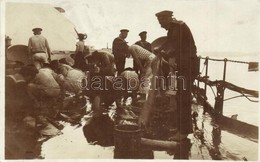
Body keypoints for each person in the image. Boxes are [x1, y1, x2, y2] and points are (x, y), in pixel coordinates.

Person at [139, 10, 199, 141]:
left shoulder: (177, 27)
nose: (160, 25)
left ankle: (182, 132)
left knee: (183, 98)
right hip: (186, 65)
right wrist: (160, 51)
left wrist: (161, 53)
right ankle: (182, 129)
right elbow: (169, 44)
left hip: (188, 65)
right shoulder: (175, 28)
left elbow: (173, 47)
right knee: (180, 96)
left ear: (167, 18)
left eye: (161, 22)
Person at [6, 64, 39, 129]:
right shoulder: (20, 82)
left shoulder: (9, 77)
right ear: (29, 76)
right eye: (32, 77)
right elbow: (24, 100)